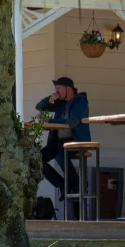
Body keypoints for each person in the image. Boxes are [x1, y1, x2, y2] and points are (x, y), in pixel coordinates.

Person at [36, 77, 91, 206]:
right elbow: (39, 106)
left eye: (58, 88)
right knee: (37, 158)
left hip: (77, 141)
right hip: (59, 142)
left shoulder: (81, 102)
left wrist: (49, 121)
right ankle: (62, 185)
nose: (56, 91)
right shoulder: (60, 103)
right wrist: (51, 98)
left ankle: (75, 185)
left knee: (61, 154)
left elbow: (72, 122)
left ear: (69, 89)